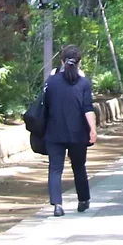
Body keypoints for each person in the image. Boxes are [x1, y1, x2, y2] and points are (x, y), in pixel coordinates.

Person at [43, 44, 97, 216]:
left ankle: (57, 205)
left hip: (54, 132)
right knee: (79, 166)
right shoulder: (83, 83)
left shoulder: (51, 81)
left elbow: (45, 105)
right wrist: (93, 129)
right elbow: (88, 109)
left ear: (61, 61)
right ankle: (83, 200)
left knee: (55, 168)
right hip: (78, 133)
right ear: (80, 63)